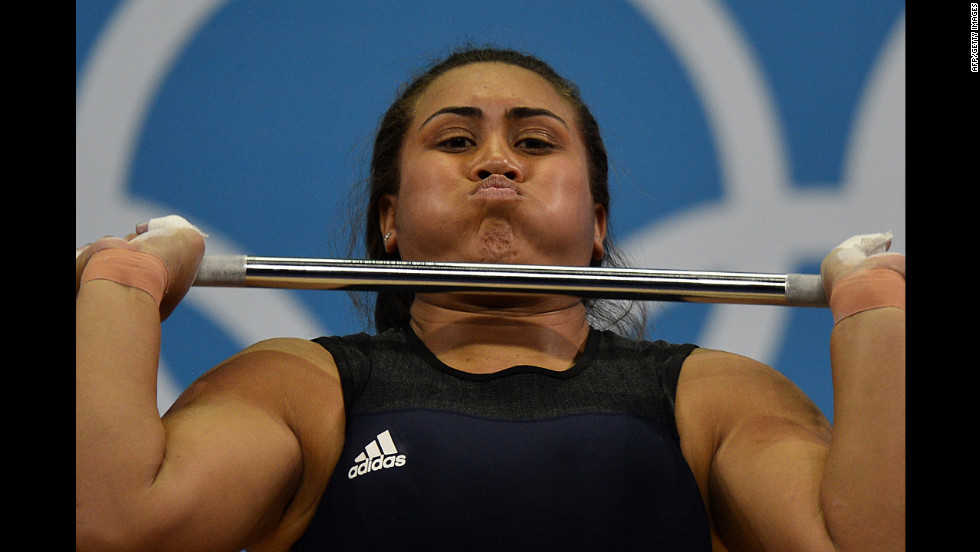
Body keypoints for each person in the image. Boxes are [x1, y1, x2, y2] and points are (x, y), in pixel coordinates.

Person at [76, 47, 905, 552]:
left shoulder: (713, 399)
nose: (498, 162)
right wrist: (127, 279)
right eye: (457, 140)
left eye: (535, 141)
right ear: (390, 220)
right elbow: (115, 526)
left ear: (597, 223)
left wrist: (874, 310)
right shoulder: (300, 388)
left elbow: (865, 542)